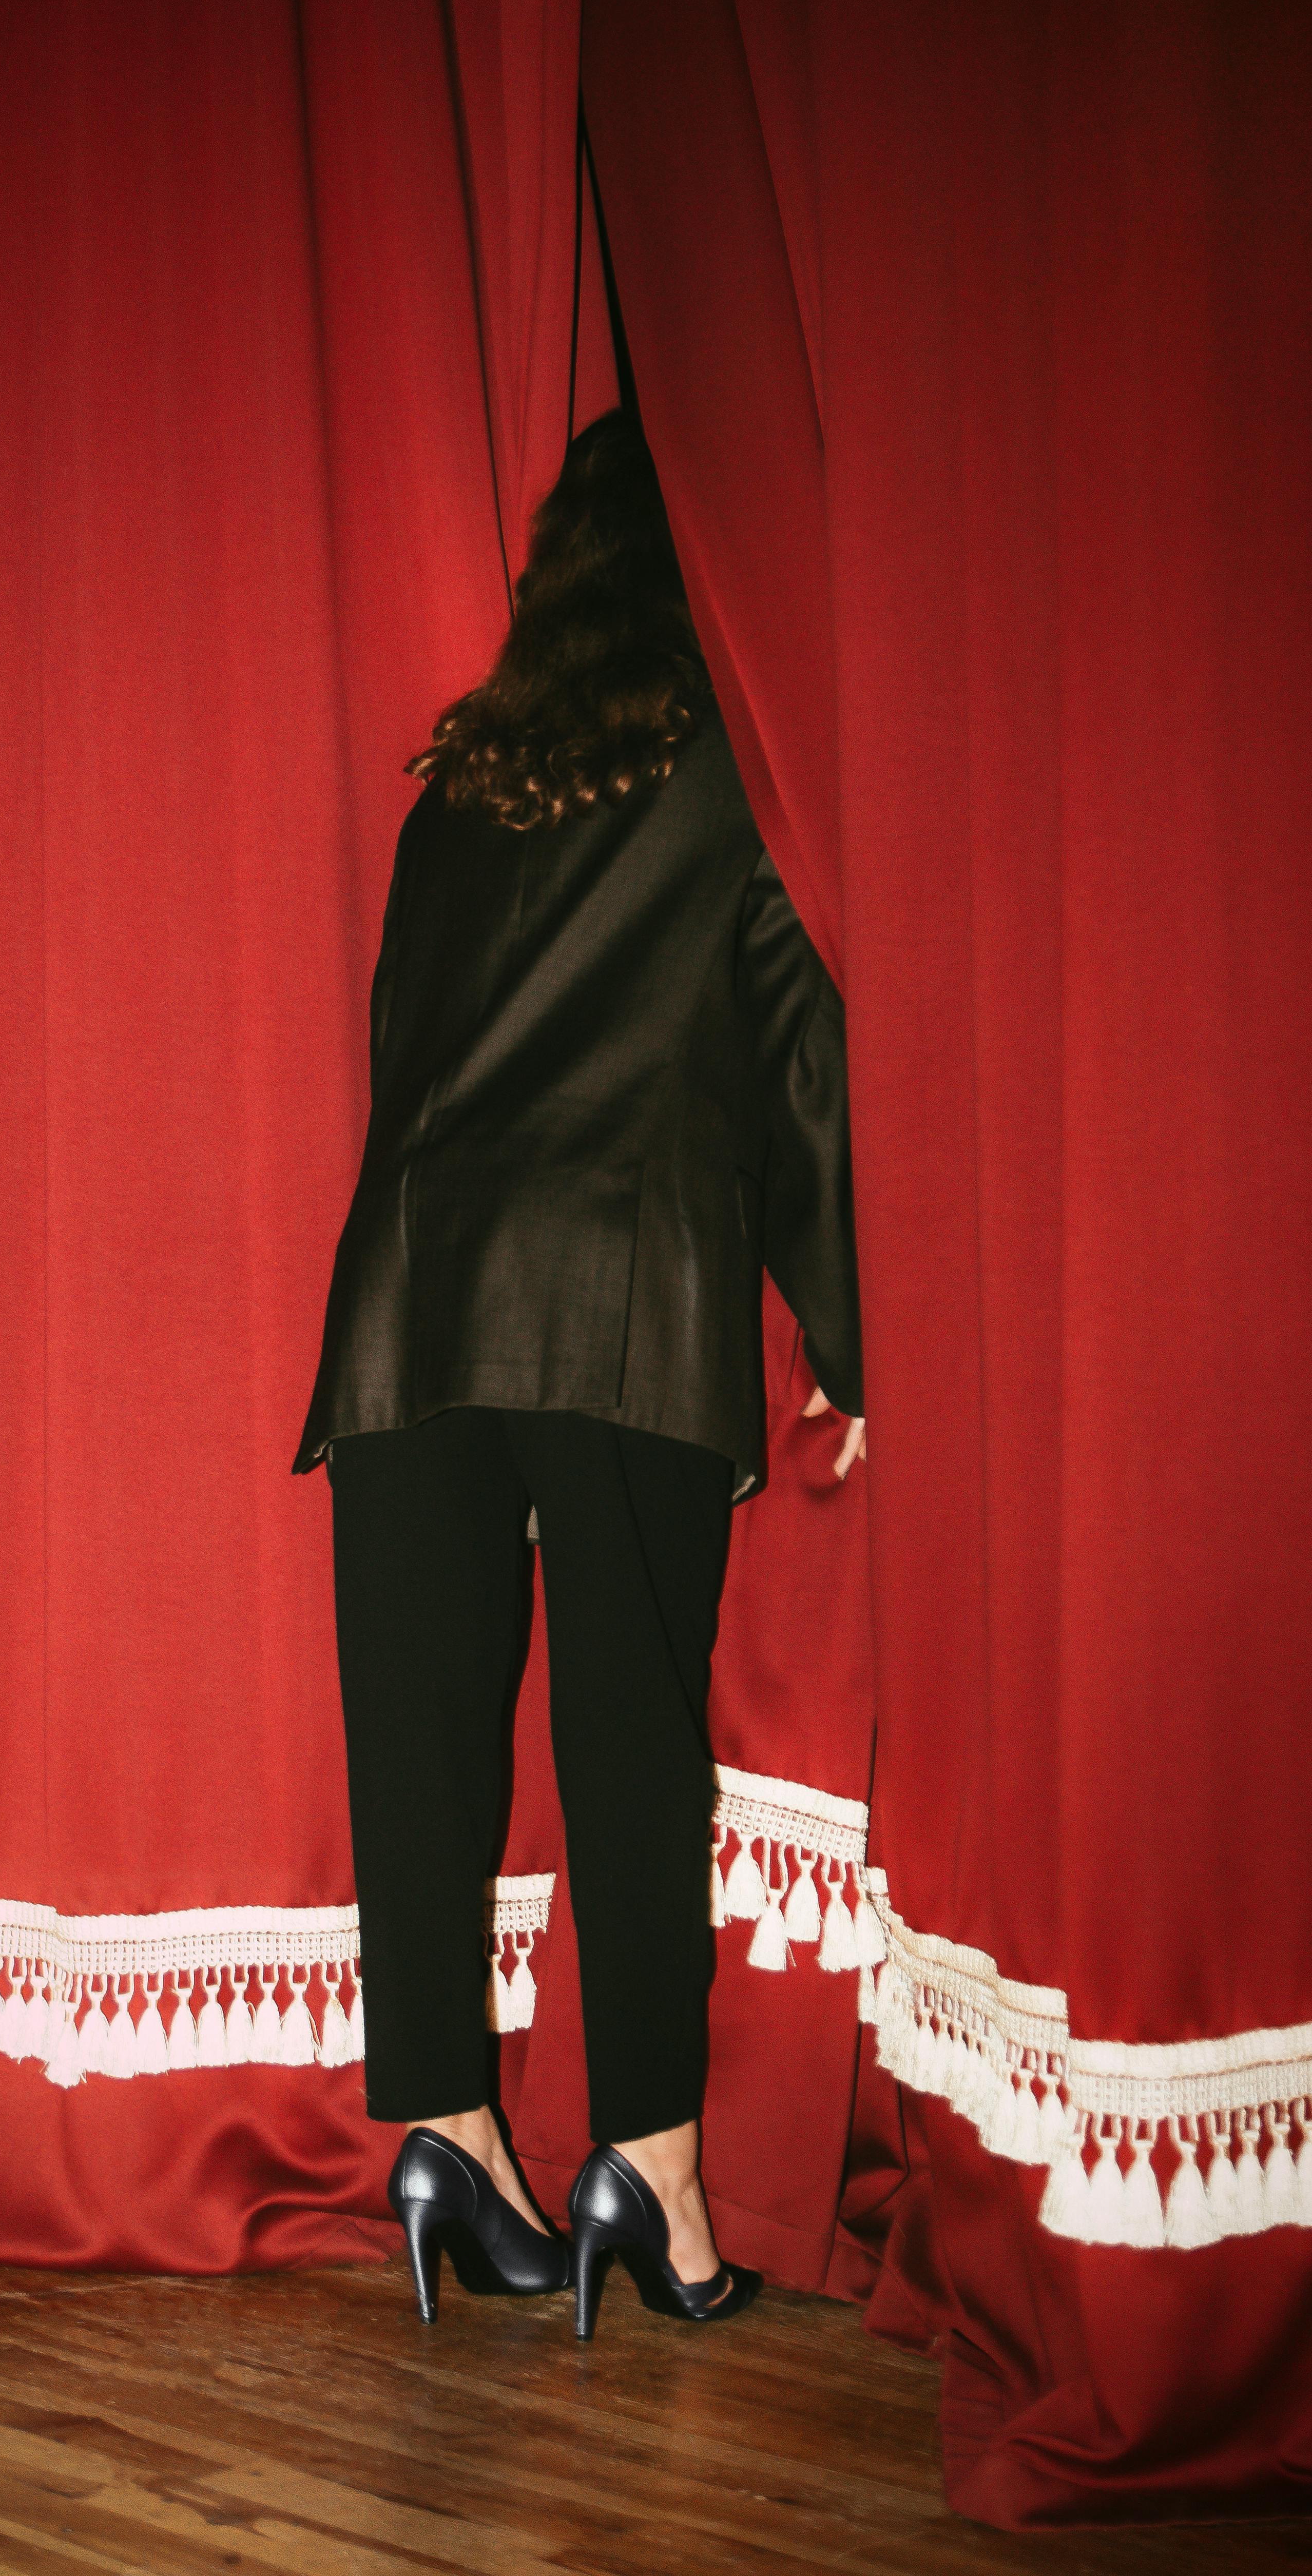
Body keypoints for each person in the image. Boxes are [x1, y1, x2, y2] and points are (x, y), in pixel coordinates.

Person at [293, 408, 864, 2338]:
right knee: (633, 1741)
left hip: (413, 1299)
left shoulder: (457, 787)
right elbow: (798, 1061)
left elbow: (397, 1054)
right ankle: (660, 2181)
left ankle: (451, 2128)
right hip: (623, 1295)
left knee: (425, 1742)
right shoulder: (744, 776)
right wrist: (847, 1330)